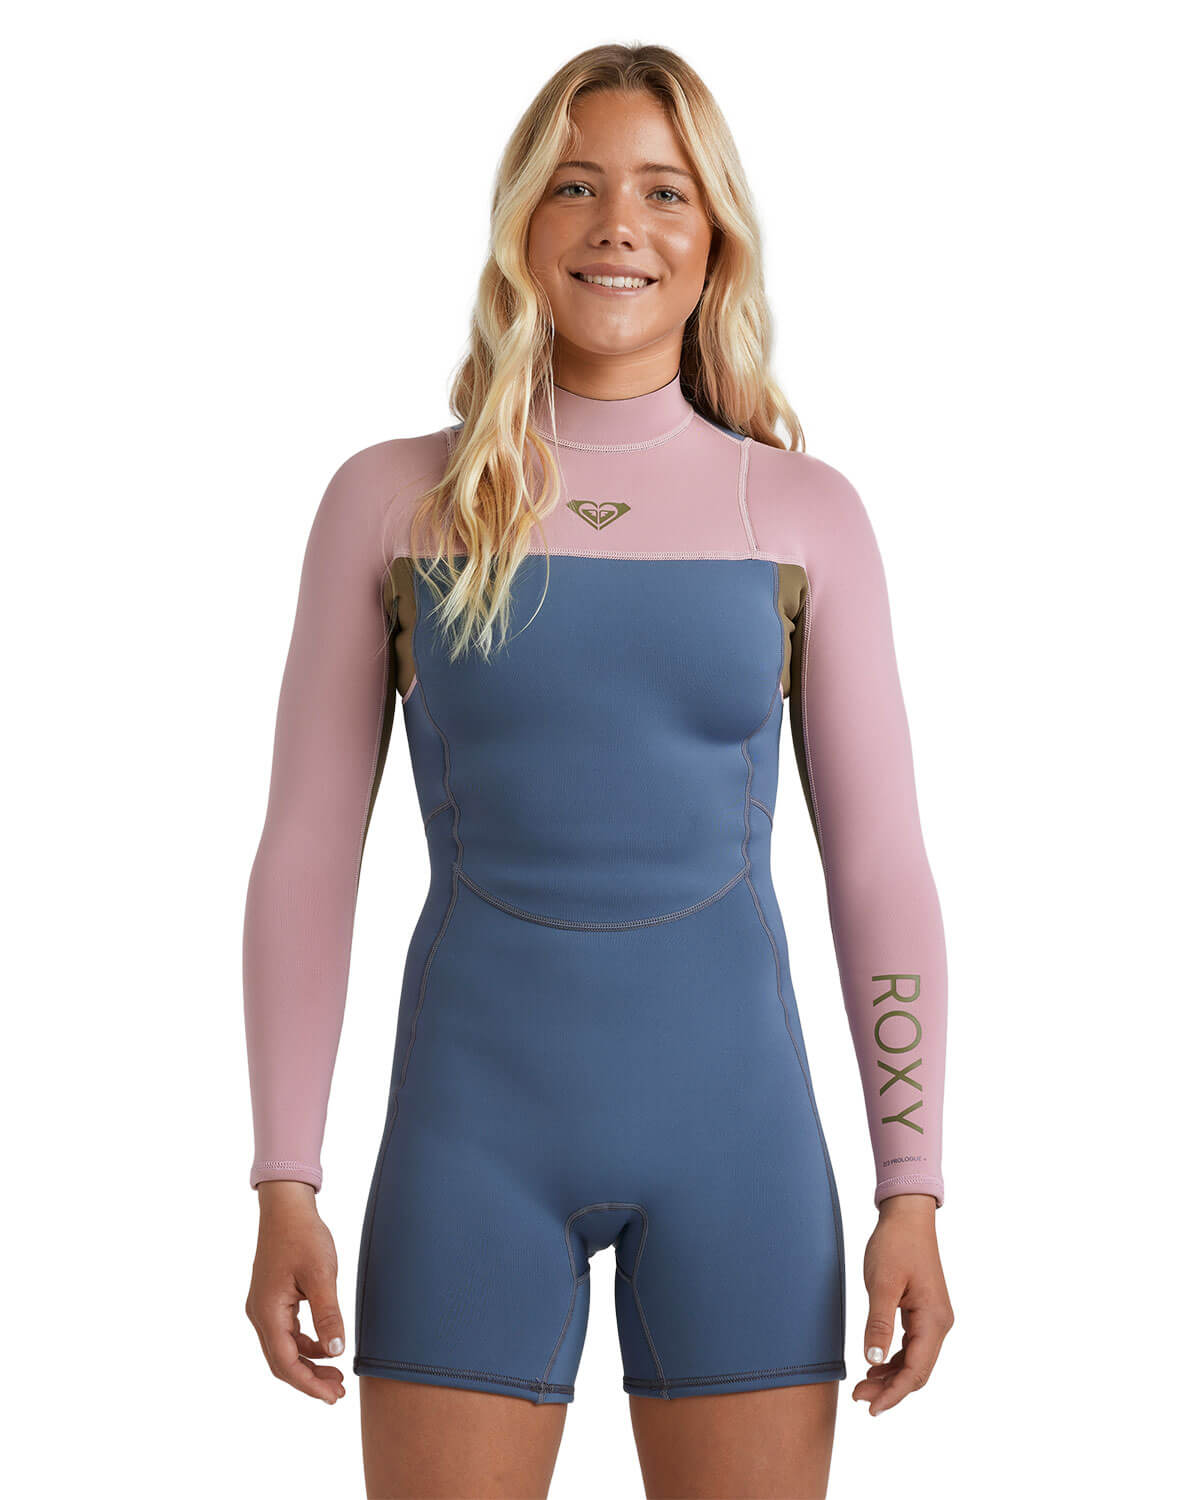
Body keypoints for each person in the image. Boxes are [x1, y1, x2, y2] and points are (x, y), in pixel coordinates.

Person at [242, 42, 953, 1500]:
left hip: (743, 1156)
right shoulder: (397, 502)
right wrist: (283, 1177)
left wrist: (914, 1189)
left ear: (716, 239)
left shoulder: (801, 514)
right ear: (521, 224)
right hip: (468, 1152)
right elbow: (308, 851)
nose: (619, 223)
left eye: (663, 191)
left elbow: (880, 865)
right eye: (575, 185)